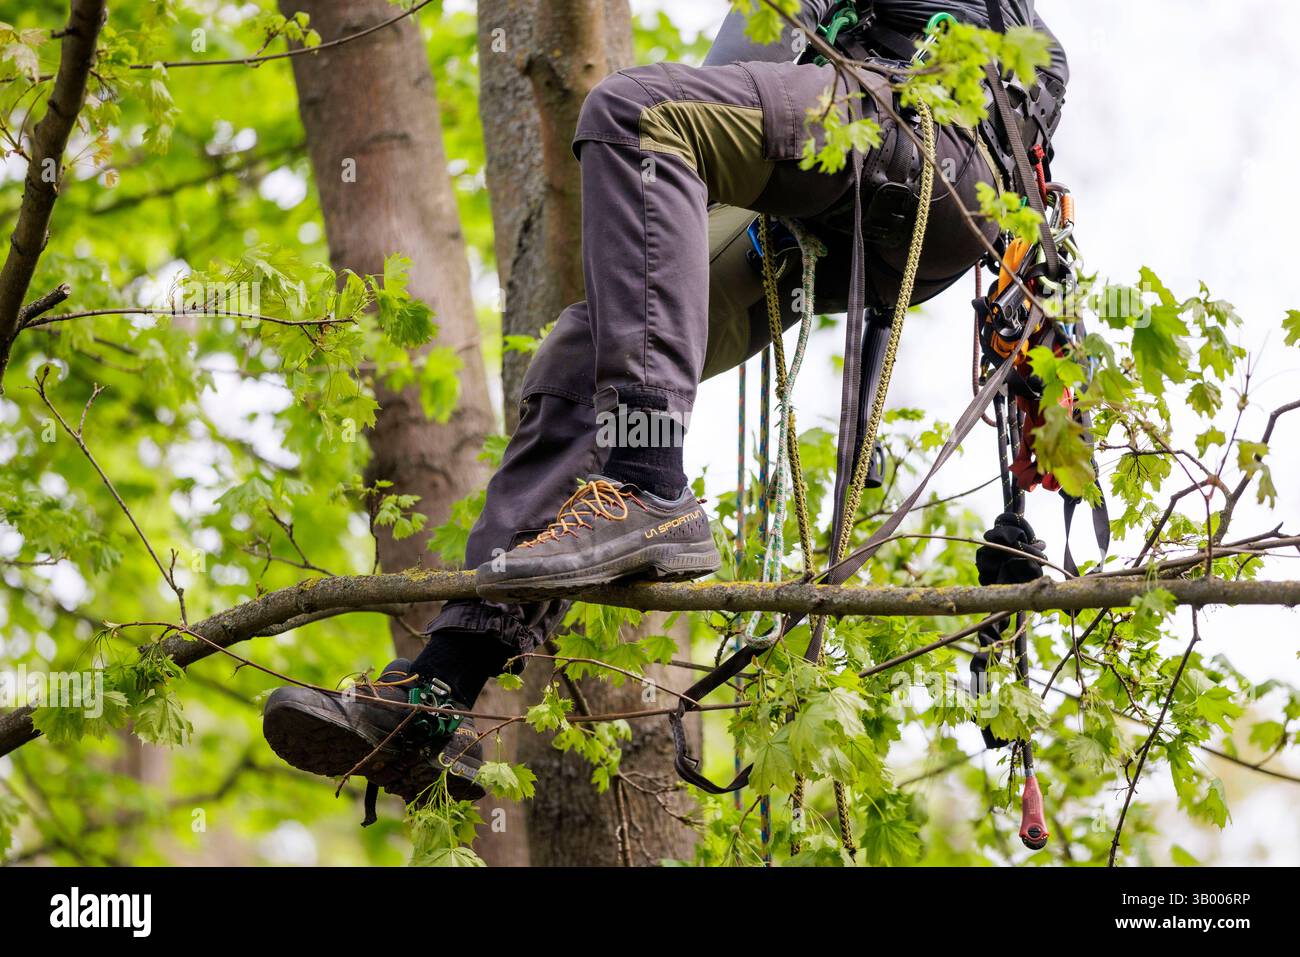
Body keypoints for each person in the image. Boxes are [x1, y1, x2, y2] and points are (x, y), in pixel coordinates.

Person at [262, 1, 1069, 814]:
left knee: (637, 111)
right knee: (589, 349)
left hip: (911, 152)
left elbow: (723, 79)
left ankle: (647, 483)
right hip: (895, 210)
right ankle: (436, 691)